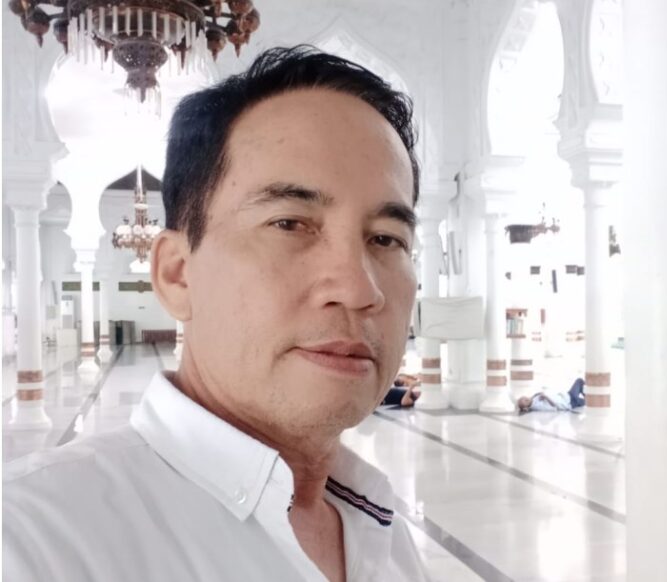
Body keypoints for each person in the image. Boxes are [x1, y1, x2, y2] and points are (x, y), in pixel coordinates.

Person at [4, 46, 429, 582]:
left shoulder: (382, 532)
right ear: (178, 274)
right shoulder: (31, 543)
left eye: (387, 238)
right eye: (290, 224)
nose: (359, 289)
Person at [517, 377, 585, 413]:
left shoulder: (533, 400)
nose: (526, 399)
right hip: (569, 402)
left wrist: (541, 394)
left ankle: (587, 396)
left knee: (580, 382)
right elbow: (554, 407)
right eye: (525, 401)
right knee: (579, 381)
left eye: (524, 398)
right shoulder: (537, 406)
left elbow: (539, 394)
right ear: (526, 408)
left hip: (566, 396)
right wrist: (546, 397)